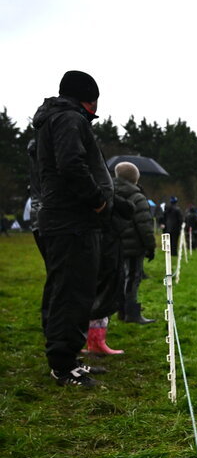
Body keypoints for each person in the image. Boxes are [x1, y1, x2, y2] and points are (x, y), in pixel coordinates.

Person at [33, 70, 112, 387]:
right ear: (88, 99)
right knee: (72, 292)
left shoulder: (57, 118)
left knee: (64, 289)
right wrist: (97, 200)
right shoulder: (69, 119)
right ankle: (63, 365)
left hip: (65, 221)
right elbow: (71, 164)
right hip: (72, 222)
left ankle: (66, 358)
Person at [113, 162, 156, 324]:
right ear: (135, 178)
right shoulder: (137, 197)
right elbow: (145, 225)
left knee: (120, 278)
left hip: (114, 245)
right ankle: (132, 313)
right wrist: (150, 247)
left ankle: (121, 311)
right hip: (133, 247)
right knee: (133, 279)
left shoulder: (109, 192)